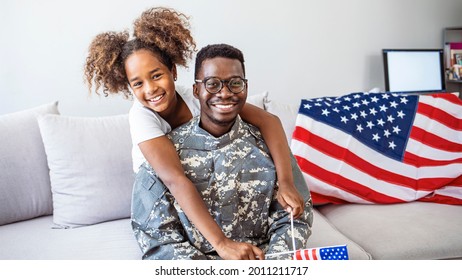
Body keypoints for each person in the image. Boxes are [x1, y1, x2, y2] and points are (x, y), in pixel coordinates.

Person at [84, 7, 304, 259]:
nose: (151, 89)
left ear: (173, 72)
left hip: (197, 184)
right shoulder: (141, 117)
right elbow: (175, 180)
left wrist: (285, 182)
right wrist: (221, 243)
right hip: (165, 193)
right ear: (128, 86)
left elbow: (269, 121)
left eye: (156, 76)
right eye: (138, 83)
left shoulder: (197, 97)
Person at [131, 43, 313, 260]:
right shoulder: (158, 153)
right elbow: (157, 238)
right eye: (213, 84)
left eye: (235, 83)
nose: (225, 93)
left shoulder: (269, 146)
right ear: (197, 90)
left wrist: (271, 266)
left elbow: (294, 220)